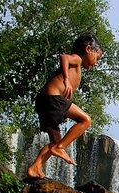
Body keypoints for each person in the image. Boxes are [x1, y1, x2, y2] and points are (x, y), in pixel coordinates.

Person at [26, 32, 103, 179]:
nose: (96, 63)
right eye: (97, 58)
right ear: (88, 49)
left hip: (45, 100)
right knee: (86, 120)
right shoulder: (77, 59)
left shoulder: (78, 65)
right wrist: (67, 79)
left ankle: (35, 167)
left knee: (55, 142)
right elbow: (64, 57)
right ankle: (60, 148)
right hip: (52, 98)